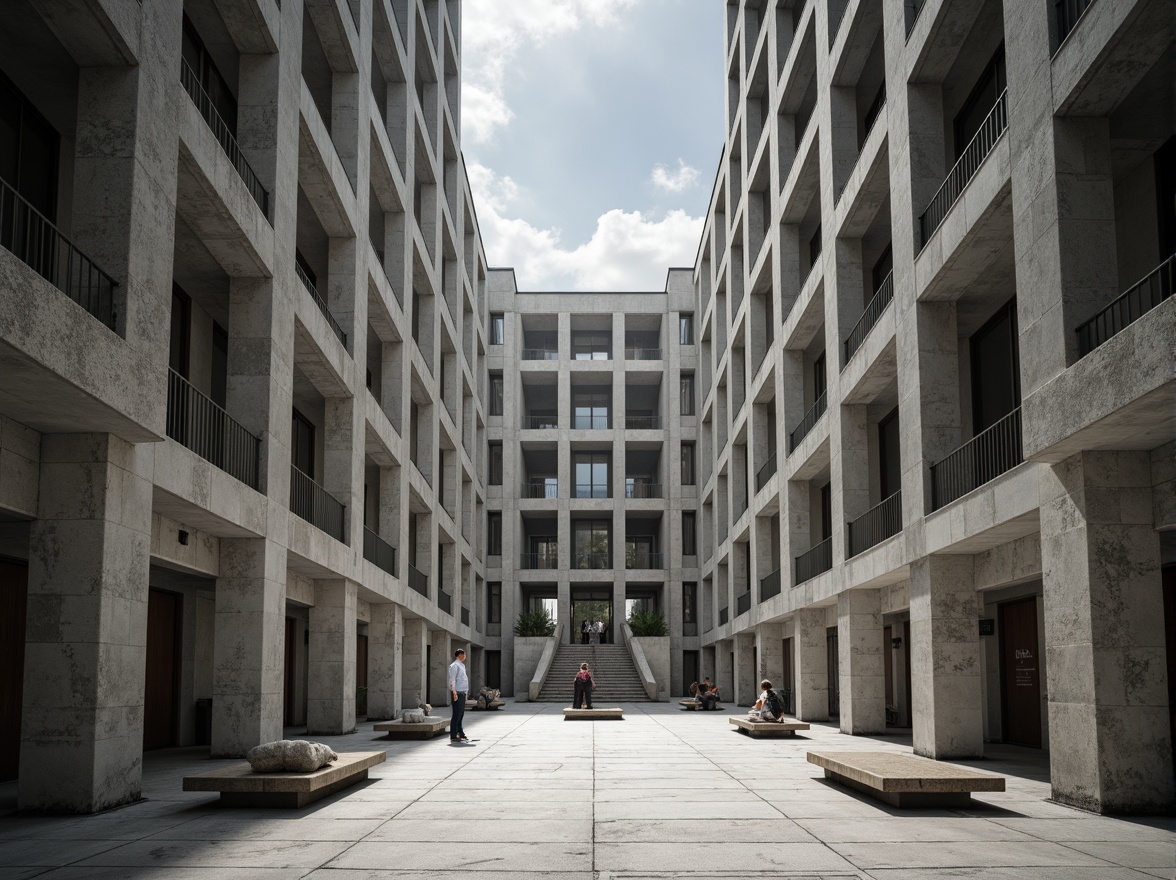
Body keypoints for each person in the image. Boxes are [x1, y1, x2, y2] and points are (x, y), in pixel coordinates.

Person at [447, 648, 469, 742]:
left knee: (461, 714)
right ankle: (453, 735)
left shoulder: (462, 666)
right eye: (464, 655)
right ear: (460, 655)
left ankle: (460, 732)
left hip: (462, 692)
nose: (465, 656)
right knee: (456, 714)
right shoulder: (455, 666)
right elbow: (453, 680)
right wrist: (454, 692)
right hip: (457, 692)